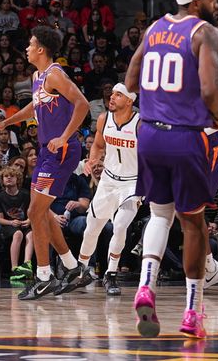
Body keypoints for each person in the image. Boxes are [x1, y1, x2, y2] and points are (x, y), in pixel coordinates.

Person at [124, 0, 218, 339]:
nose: (217, 2)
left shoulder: (154, 28)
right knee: (193, 223)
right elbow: (211, 88)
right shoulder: (205, 34)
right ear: (197, 2)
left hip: (149, 133)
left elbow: (131, 79)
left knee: (159, 214)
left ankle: (145, 286)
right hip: (185, 137)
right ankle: (192, 313)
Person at [0, 26, 89, 300]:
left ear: (42, 49)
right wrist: (7, 122)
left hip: (61, 150)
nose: (27, 48)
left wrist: (64, 135)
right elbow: (33, 107)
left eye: (31, 44)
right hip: (47, 151)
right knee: (41, 212)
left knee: (34, 212)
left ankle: (44, 276)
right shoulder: (37, 77)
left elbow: (82, 104)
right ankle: (73, 268)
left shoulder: (56, 74)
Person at [77, 83, 142, 296]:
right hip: (108, 180)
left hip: (132, 183)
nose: (112, 97)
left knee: (121, 226)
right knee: (92, 228)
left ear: (130, 101)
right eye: (112, 94)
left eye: (118, 95)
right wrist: (92, 160)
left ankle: (110, 274)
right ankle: (80, 270)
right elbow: (97, 144)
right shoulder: (104, 119)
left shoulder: (140, 123)